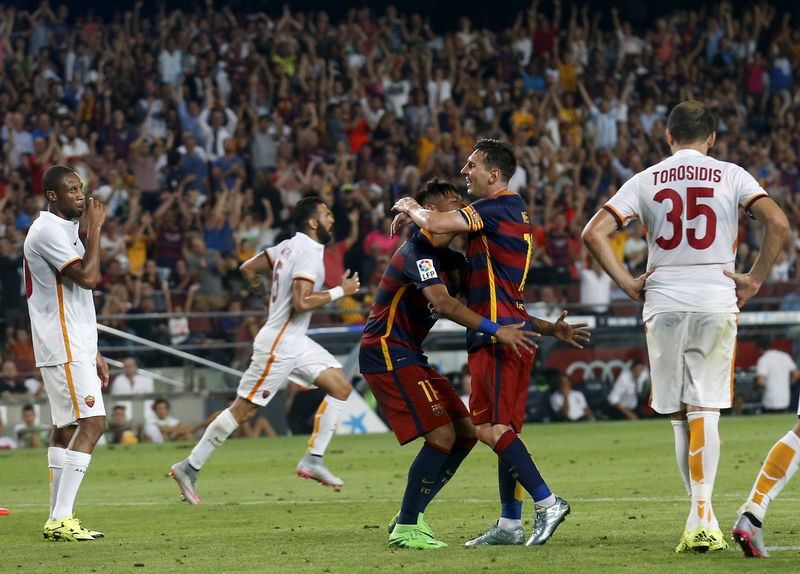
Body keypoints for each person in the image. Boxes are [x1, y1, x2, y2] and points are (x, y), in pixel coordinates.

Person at [582, 101, 790, 553]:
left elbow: (593, 233)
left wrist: (627, 284)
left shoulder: (645, 179)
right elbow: (777, 221)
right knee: (706, 408)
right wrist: (754, 278)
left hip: (664, 300)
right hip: (715, 297)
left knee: (680, 414)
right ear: (711, 137)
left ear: (668, 136)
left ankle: (701, 516)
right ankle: (701, 516)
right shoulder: (732, 174)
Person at [393, 139, 590, 547]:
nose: (466, 172)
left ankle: (548, 502)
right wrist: (550, 329)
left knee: (489, 427)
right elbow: (506, 291)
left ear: (493, 174)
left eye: (472, 165)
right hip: (513, 329)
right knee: (506, 433)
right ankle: (509, 524)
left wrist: (411, 207)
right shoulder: (513, 213)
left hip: (497, 336)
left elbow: (439, 223)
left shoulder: (493, 209)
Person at [361, 179, 537, 549]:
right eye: (452, 202)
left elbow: (493, 302)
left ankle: (412, 510)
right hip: (387, 351)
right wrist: (496, 331)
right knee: (441, 436)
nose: (461, 206)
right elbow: (445, 305)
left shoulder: (454, 261)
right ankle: (408, 525)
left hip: (410, 353)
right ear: (432, 213)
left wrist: (549, 328)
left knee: (467, 433)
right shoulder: (416, 254)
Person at [170, 197, 359, 503]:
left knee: (340, 386)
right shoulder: (309, 252)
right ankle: (189, 466)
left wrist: (265, 300)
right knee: (244, 410)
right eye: (327, 215)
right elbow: (300, 302)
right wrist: (341, 291)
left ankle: (314, 459)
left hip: (294, 339)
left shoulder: (286, 246)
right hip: (280, 345)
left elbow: (248, 268)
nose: (332, 220)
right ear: (313, 222)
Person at [23, 164, 110, 541]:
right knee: (93, 424)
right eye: (72, 190)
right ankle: (60, 517)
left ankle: (58, 517)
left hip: (74, 343)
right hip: (62, 344)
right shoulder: (46, 230)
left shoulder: (65, 229)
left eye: (82, 188)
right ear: (53, 195)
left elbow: (78, 298)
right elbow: (89, 278)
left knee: (66, 427)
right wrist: (96, 230)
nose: (81, 195)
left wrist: (94, 348)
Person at [754, 338, 799, 413]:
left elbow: (761, 381)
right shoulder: (785, 356)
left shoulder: (763, 359)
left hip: (770, 400)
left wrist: (755, 390)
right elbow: (796, 374)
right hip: (785, 400)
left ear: (759, 349)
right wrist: (788, 385)